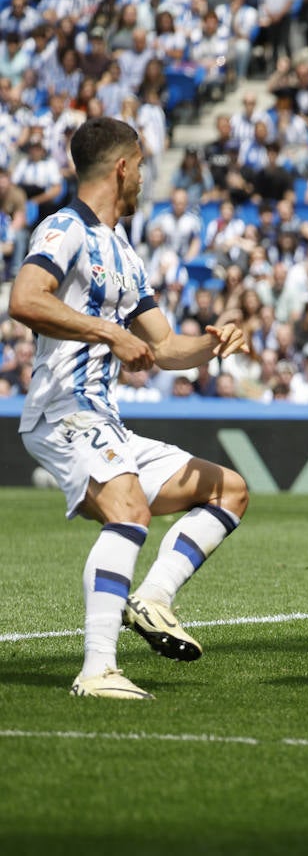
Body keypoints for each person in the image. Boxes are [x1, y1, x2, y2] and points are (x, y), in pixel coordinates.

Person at [10, 117, 251, 700]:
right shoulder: (63, 229)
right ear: (122, 167)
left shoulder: (123, 251)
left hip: (104, 419)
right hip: (61, 410)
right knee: (130, 507)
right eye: (141, 165)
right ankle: (97, 670)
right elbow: (23, 299)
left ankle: (153, 598)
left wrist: (212, 341)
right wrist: (107, 334)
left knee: (230, 490)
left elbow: (165, 347)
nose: (145, 176)